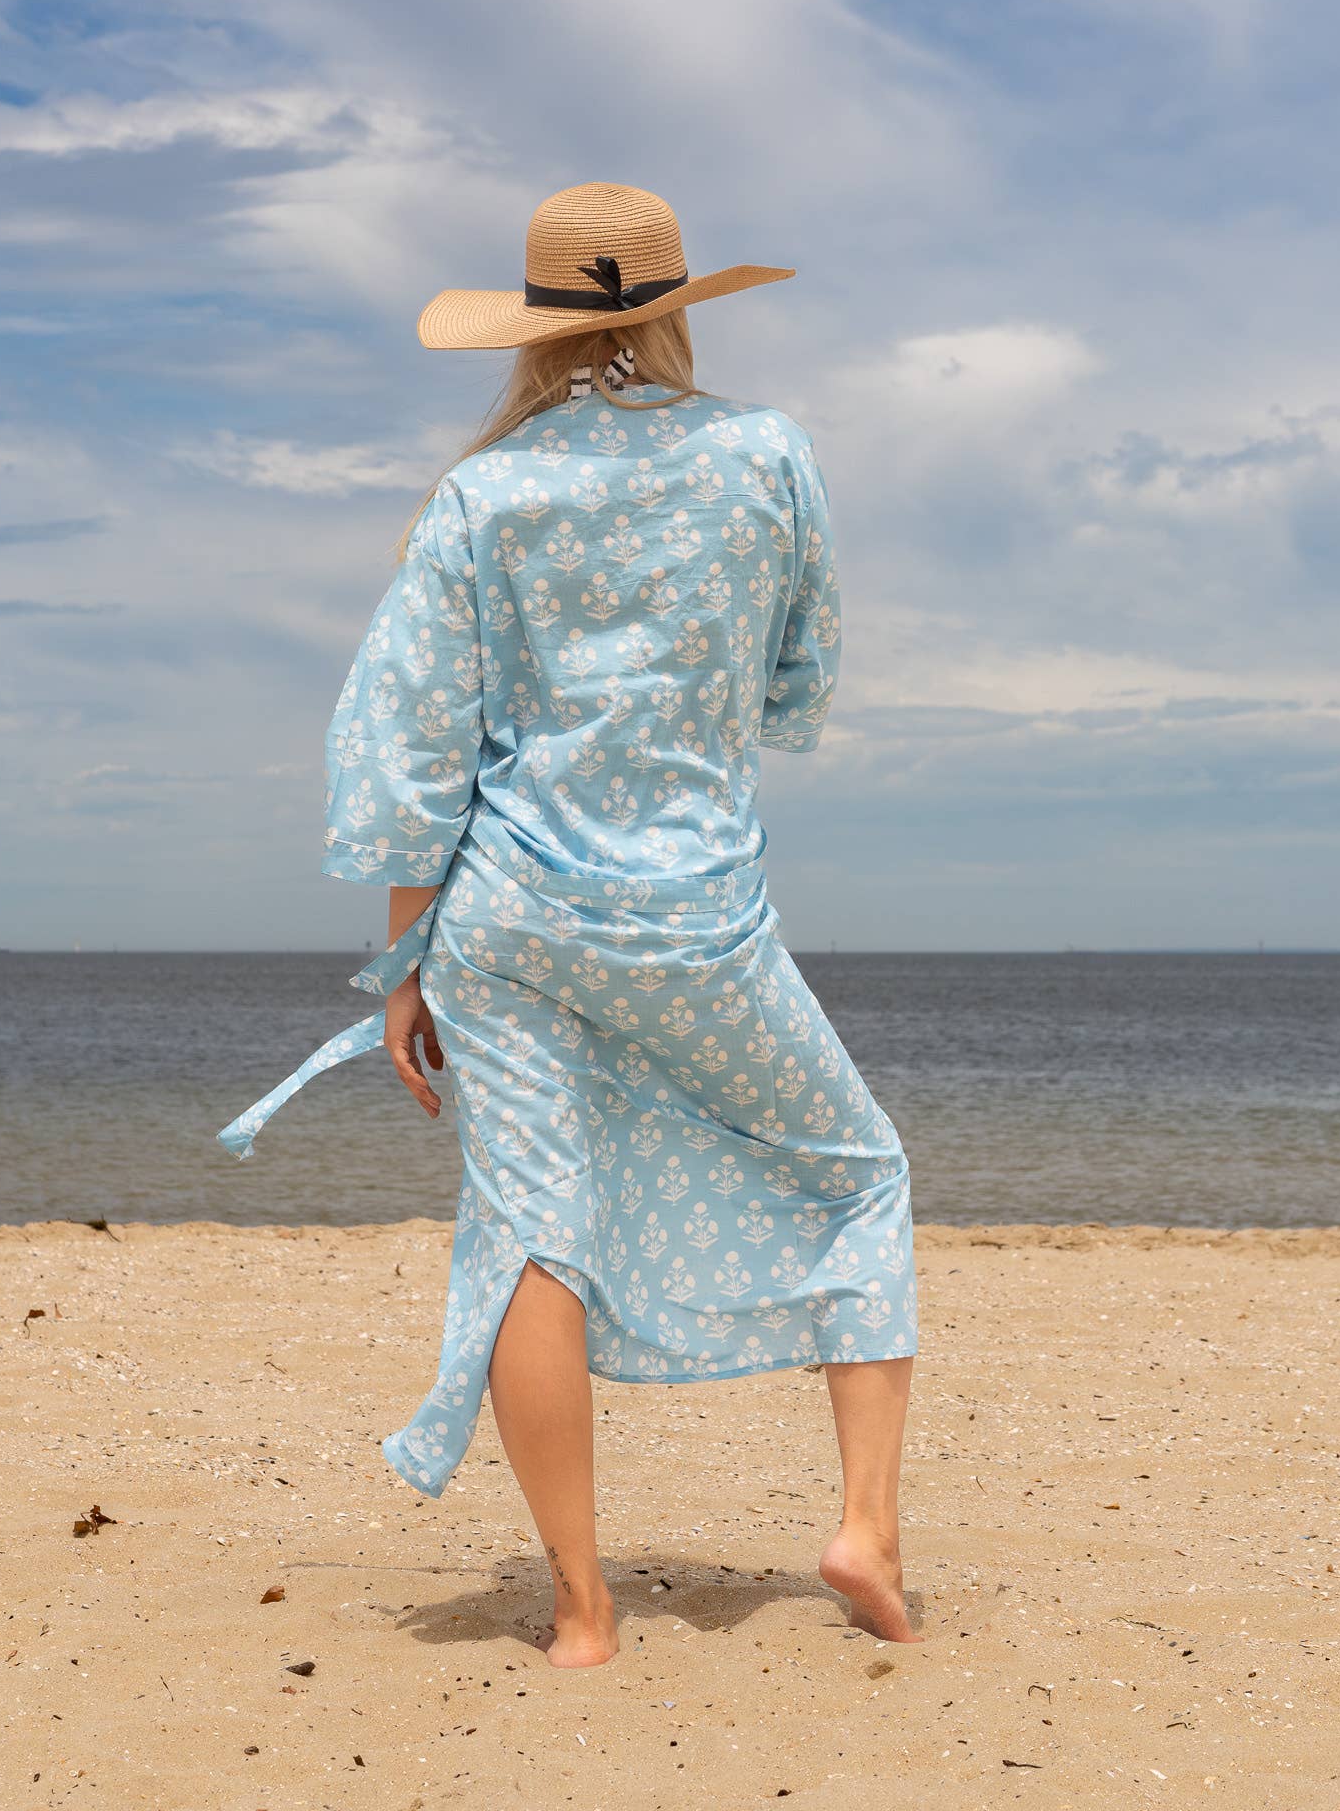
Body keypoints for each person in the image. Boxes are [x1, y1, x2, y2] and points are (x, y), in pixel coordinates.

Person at [220, 184, 918, 1665]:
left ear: (533, 330)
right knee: (857, 1171)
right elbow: (802, 680)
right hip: (695, 911)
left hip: (511, 919)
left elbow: (417, 750)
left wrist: (402, 965)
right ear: (675, 311)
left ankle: (585, 1614)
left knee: (538, 1236)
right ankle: (865, 1528)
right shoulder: (765, 454)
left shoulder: (486, 494)